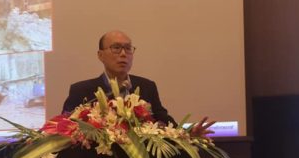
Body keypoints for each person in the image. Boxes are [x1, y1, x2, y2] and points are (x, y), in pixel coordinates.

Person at [62, 30, 214, 135]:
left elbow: (164, 120)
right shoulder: (81, 91)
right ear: (100, 55)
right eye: (116, 48)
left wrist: (187, 133)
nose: (123, 54)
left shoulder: (147, 87)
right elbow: (65, 127)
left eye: (128, 48)